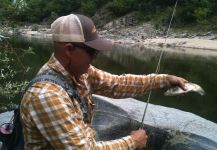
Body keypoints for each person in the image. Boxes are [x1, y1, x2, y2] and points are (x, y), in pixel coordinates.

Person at [20, 14, 188, 150]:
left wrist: (163, 80)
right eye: (92, 52)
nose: (95, 57)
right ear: (69, 50)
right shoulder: (47, 96)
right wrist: (133, 142)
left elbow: (117, 84)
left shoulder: (80, 73)